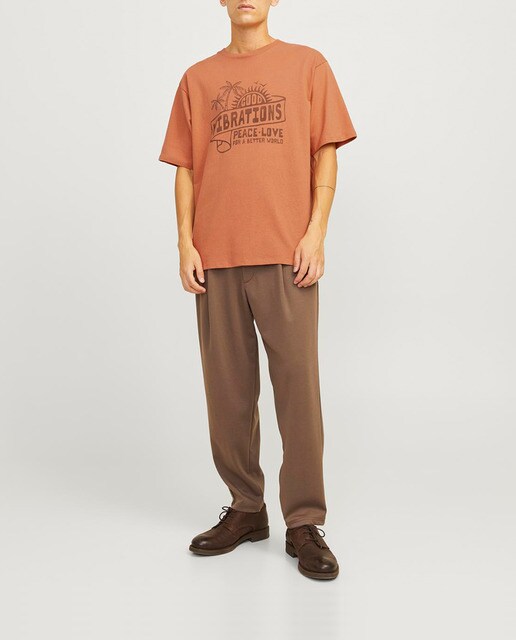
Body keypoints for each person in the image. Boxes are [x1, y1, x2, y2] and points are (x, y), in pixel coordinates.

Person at [158, 0, 356, 580]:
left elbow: (325, 151)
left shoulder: (307, 65)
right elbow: (185, 168)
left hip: (286, 254)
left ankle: (304, 521)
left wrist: (316, 232)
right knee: (227, 393)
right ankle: (246, 508)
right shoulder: (197, 79)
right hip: (216, 255)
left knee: (298, 392)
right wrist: (185, 243)